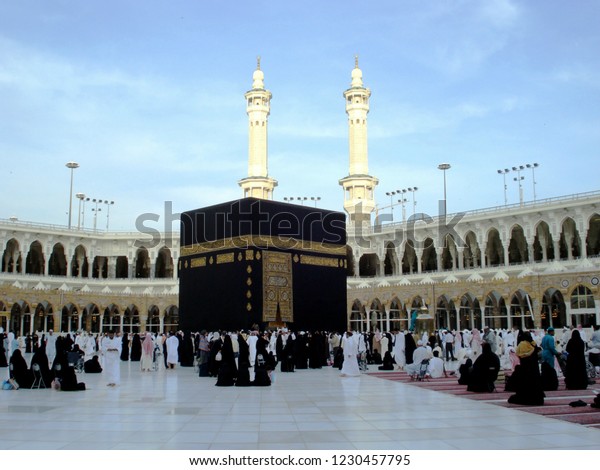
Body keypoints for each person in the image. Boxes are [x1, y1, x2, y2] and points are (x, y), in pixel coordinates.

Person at [507, 333, 545, 405]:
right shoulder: (533, 344)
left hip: (525, 369)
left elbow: (518, 354)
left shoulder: (522, 344)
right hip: (534, 370)